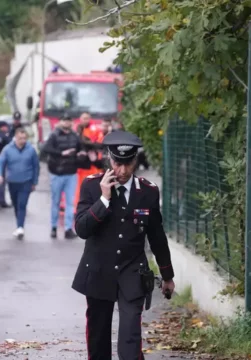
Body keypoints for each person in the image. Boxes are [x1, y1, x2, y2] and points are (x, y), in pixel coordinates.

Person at [72, 130, 175, 360]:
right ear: (110, 159)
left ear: (135, 161)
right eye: (117, 163)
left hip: (132, 272)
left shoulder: (148, 191)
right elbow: (81, 229)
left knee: (130, 336)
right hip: (98, 271)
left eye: (127, 164)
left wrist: (167, 276)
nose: (122, 170)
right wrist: (104, 199)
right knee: (98, 337)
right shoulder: (92, 186)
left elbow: (157, 235)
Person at [43, 114, 88, 240]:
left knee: (70, 202)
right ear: (60, 122)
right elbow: (46, 149)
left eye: (69, 121)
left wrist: (81, 154)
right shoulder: (54, 135)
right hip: (56, 172)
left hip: (71, 172)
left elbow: (81, 149)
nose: (67, 123)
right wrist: (62, 153)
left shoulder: (75, 136)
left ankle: (68, 229)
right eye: (64, 121)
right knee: (55, 202)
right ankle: (53, 228)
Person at [0, 128, 39, 240]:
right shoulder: (8, 149)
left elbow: (36, 167)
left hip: (26, 181)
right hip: (12, 182)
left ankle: (20, 227)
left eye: (24, 138)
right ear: (15, 137)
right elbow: (0, 162)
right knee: (15, 204)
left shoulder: (31, 150)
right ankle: (19, 224)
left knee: (22, 204)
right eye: (20, 138)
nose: (22, 140)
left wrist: (34, 182)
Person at [0, 121, 11, 208]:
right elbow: (10, 144)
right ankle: (1, 200)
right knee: (2, 182)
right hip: (2, 161)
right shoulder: (4, 136)